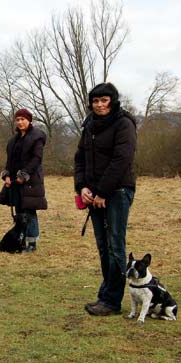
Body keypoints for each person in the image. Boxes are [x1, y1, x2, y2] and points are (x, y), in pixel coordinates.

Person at [74, 82, 137, 316]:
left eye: (104, 100)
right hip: (94, 194)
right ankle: (106, 296)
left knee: (115, 247)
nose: (99, 105)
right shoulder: (89, 125)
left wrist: (103, 192)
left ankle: (111, 301)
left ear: (112, 101)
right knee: (103, 248)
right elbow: (79, 158)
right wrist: (82, 187)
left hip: (117, 192)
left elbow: (122, 160)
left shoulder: (124, 124)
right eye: (95, 101)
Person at [0, 108, 47, 252]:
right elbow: (10, 162)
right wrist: (7, 175)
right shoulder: (13, 141)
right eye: (18, 120)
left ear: (29, 120)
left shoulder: (37, 137)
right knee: (20, 211)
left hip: (31, 181)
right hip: (15, 182)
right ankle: (21, 240)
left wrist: (24, 175)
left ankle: (32, 243)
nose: (20, 122)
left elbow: (36, 159)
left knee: (29, 212)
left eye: (23, 119)